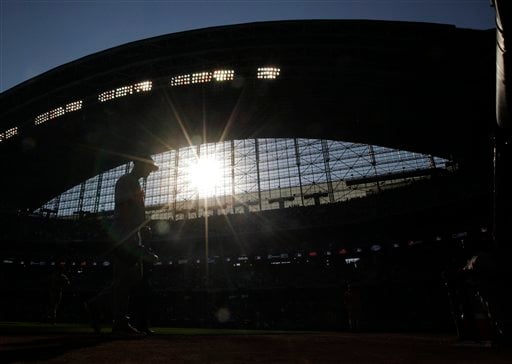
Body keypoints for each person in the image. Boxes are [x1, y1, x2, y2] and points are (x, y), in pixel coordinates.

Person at [85, 154, 159, 336]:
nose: (150, 171)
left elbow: (131, 210)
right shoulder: (127, 181)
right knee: (128, 278)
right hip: (125, 237)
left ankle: (114, 316)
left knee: (129, 278)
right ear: (141, 165)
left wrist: (141, 229)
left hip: (129, 236)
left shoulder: (134, 183)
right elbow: (124, 207)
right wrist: (134, 232)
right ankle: (104, 309)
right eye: (149, 168)